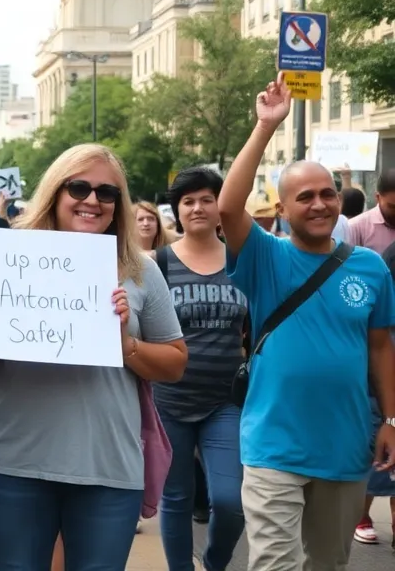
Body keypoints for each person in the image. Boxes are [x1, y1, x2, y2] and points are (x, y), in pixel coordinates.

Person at [0, 144, 187, 571]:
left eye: (107, 193)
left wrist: (126, 346)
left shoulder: (140, 269)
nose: (92, 200)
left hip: (107, 468)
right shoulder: (8, 260)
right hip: (18, 463)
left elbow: (176, 363)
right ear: (55, 192)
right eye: (79, 187)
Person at [219, 77, 395, 569]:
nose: (319, 204)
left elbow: (381, 347)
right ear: (282, 209)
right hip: (274, 445)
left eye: (327, 194)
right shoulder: (264, 259)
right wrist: (265, 127)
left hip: (344, 445)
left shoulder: (370, 266)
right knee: (275, 563)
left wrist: (391, 420)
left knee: (328, 564)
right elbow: (230, 208)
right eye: (305, 197)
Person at [152, 167, 248, 571]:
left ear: (219, 206)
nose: (197, 207)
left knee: (230, 501)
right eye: (188, 201)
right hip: (169, 399)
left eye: (207, 199)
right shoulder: (158, 262)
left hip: (225, 401)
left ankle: (214, 563)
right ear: (177, 210)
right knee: (174, 497)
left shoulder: (243, 259)